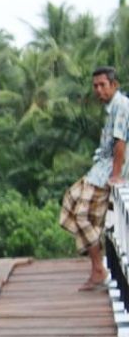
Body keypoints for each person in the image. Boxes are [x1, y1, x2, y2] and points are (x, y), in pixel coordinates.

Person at [60, 65, 128, 290]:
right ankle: (97, 261)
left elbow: (121, 143)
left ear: (114, 85)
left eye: (103, 85)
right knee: (70, 201)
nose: (99, 90)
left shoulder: (122, 106)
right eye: (95, 86)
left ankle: (99, 270)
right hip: (99, 169)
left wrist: (116, 176)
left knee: (81, 216)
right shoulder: (112, 107)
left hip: (108, 172)